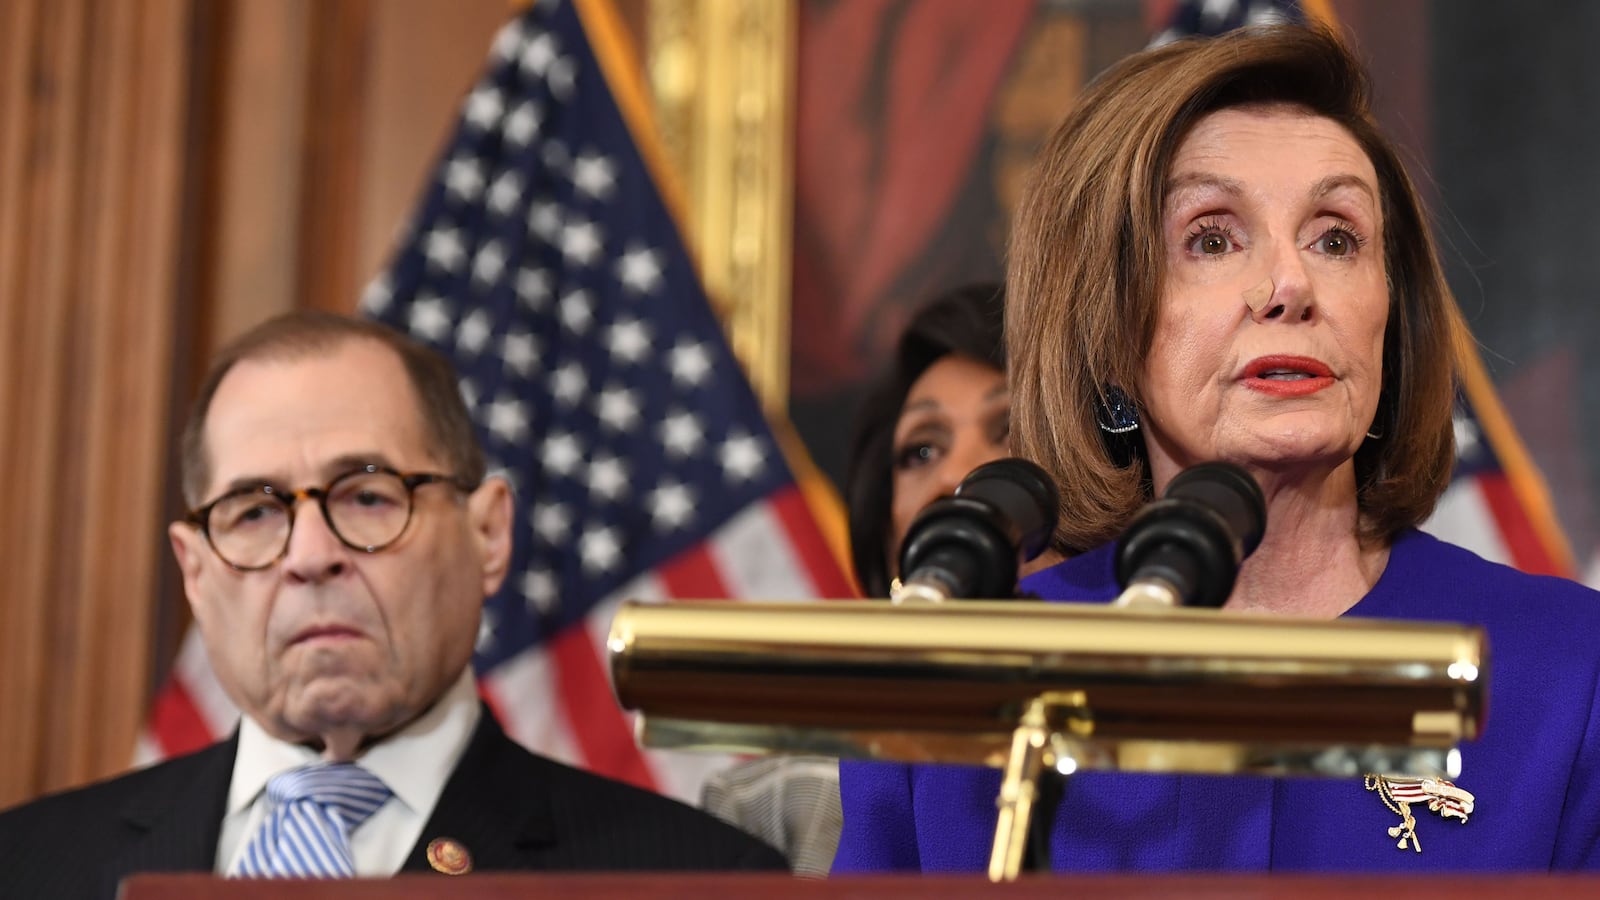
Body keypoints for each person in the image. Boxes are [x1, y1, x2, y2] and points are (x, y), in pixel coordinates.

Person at [834, 25, 1600, 873]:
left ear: (1394, 318)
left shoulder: (1568, 669)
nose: (1289, 285)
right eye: (1211, 237)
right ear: (1110, 333)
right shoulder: (959, 688)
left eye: (1336, 237)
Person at [0, 312, 786, 897]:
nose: (310, 556)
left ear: (488, 535)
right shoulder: (26, 868)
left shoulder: (692, 880)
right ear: (196, 571)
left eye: (369, 496)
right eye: (254, 512)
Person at [702, 284, 1013, 874]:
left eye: (1010, 428)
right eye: (921, 451)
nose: (956, 474)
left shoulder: (1169, 763)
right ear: (889, 540)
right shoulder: (769, 807)